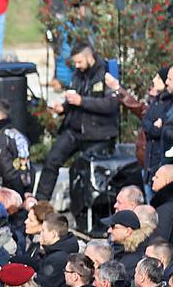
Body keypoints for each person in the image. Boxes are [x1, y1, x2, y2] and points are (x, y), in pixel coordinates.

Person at [33, 42, 120, 203]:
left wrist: (82, 101)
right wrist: (63, 108)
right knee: (52, 160)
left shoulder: (106, 74)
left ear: (90, 56)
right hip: (74, 129)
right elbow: (74, 98)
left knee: (83, 170)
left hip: (97, 133)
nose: (77, 65)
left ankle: (83, 209)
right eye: (75, 63)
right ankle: (40, 201)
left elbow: (111, 105)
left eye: (80, 62)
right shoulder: (78, 75)